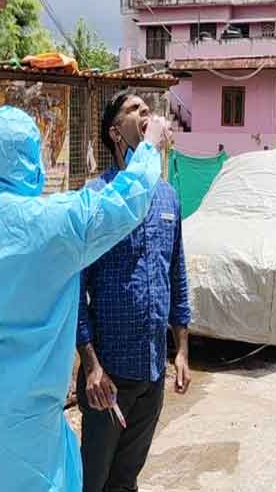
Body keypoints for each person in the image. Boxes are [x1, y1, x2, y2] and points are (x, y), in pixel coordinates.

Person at [0, 105, 170, 492]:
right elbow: (126, 202)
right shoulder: (56, 223)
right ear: (34, 158)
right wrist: (149, 145)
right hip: (35, 442)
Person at [77, 90, 192, 492]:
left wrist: (180, 350)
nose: (146, 113)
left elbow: (176, 274)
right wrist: (90, 364)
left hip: (151, 371)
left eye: (148, 108)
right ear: (115, 132)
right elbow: (77, 288)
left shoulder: (167, 197)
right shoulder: (96, 197)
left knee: (127, 478)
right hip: (108, 376)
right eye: (133, 109)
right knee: (94, 479)